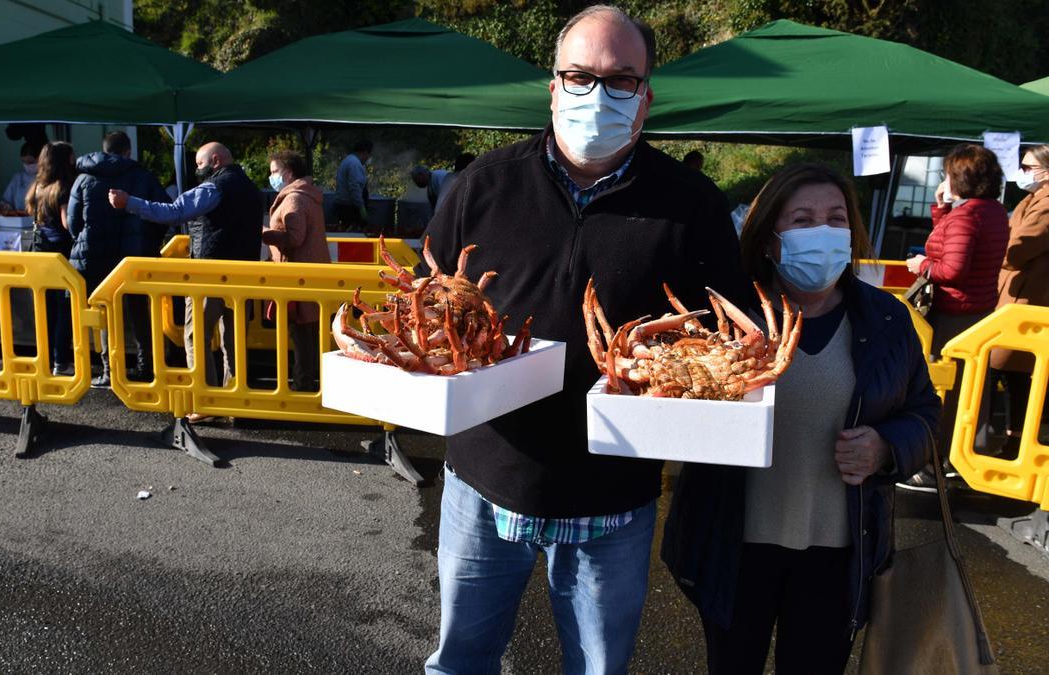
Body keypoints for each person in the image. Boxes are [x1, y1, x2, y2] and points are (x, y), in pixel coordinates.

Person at [420, 7, 750, 672]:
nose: (597, 93)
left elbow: (729, 335)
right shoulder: (480, 184)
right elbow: (433, 299)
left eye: (622, 79)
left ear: (647, 96)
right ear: (552, 86)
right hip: (486, 480)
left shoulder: (694, 205)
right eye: (579, 75)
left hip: (614, 498)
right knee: (459, 661)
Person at [662, 163, 941, 674]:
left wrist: (885, 446)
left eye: (836, 218)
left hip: (836, 550)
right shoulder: (723, 320)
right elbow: (669, 398)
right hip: (734, 545)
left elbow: (924, 412)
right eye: (803, 219)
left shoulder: (884, 319)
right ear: (770, 238)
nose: (823, 232)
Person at [109, 142, 263, 421]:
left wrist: (128, 202)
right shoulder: (251, 187)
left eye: (199, 164)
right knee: (234, 341)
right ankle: (235, 401)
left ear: (215, 161)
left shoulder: (214, 187)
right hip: (245, 276)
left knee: (196, 337)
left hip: (211, 275)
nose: (197, 170)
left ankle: (204, 402)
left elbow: (174, 212)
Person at [903, 144, 1008, 487]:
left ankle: (936, 463)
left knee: (942, 392)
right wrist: (942, 208)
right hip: (978, 312)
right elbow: (953, 241)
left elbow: (952, 267)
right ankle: (962, 460)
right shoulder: (991, 211)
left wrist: (922, 265)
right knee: (972, 391)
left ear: (960, 177)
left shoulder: (967, 216)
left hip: (952, 315)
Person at [67, 130, 170, 386]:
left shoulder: (83, 178)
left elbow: (72, 222)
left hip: (96, 255)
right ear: (128, 151)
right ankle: (146, 366)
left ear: (103, 149)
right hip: (135, 256)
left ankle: (110, 370)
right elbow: (164, 213)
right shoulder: (142, 176)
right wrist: (148, 239)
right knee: (139, 311)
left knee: (104, 312)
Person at [990, 144, 1049, 456]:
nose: (1022, 173)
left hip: (1029, 301)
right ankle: (1015, 441)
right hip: (1017, 297)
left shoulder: (1047, 203)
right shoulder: (1031, 199)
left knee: (1009, 370)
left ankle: (1016, 443)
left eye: (1028, 167)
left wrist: (989, 252)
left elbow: (1018, 249)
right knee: (1015, 374)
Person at [263, 150, 330, 392]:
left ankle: (303, 387)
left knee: (301, 336)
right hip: (310, 276)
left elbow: (295, 237)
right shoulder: (308, 196)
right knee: (310, 335)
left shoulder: (293, 199)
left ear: (288, 173)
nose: (271, 177)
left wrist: (263, 234)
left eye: (273, 172)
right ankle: (310, 384)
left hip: (297, 278)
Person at [24, 141, 77, 375]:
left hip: (39, 254)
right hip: (60, 255)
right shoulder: (63, 187)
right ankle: (61, 361)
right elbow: (68, 224)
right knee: (63, 309)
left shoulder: (38, 186)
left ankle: (45, 360)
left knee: (45, 310)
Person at [333, 139, 372, 232]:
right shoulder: (354, 163)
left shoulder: (349, 160)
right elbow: (355, 188)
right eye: (368, 155)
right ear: (365, 152)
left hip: (345, 206)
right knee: (353, 234)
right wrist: (361, 207)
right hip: (349, 208)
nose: (368, 158)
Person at [0, 142, 40, 211]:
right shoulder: (18, 178)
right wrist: (5, 206)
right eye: (24, 162)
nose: (27, 165)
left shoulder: (46, 179)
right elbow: (6, 201)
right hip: (19, 219)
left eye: (30, 162)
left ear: (39, 159)